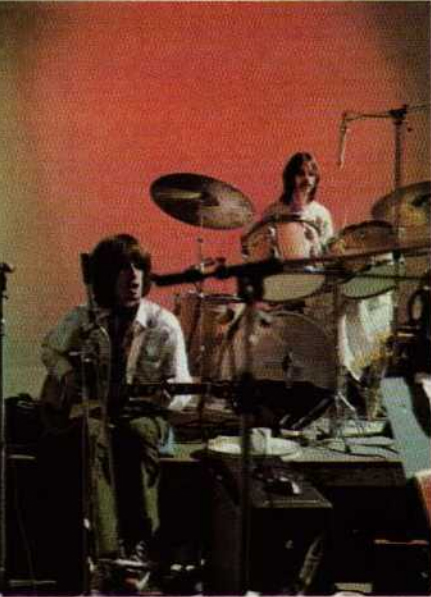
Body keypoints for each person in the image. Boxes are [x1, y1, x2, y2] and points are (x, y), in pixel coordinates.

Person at [40, 233, 192, 593]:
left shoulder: (164, 324)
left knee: (135, 435)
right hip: (95, 410)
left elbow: (183, 387)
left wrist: (166, 398)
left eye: (139, 267)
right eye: (123, 268)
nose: (133, 275)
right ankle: (104, 552)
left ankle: (140, 547)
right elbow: (49, 349)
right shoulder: (85, 317)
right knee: (91, 440)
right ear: (106, 276)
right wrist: (69, 375)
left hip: (144, 414)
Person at [262, 151, 334, 249]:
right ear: (291, 177)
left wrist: (316, 241)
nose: (307, 179)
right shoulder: (273, 212)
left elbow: (329, 251)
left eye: (311, 174)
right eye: (301, 174)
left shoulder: (322, 214)